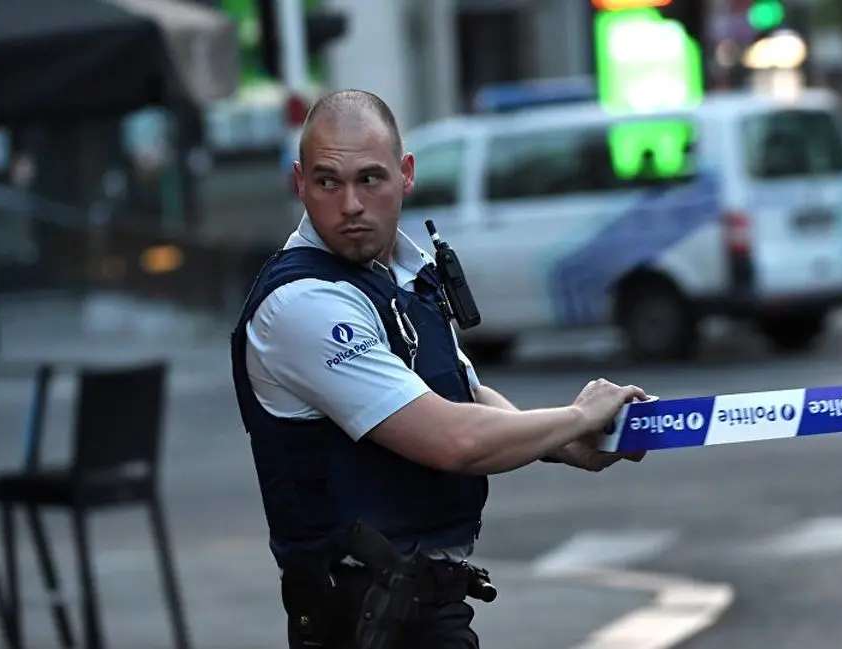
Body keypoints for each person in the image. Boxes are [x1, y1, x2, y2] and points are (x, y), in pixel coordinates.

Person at [228, 89, 648, 649]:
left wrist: (564, 442)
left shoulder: (403, 271)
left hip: (421, 607)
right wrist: (575, 417)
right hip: (360, 617)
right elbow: (453, 439)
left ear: (405, 174)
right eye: (328, 182)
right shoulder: (301, 302)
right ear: (300, 183)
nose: (350, 204)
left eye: (370, 179)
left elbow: (464, 395)